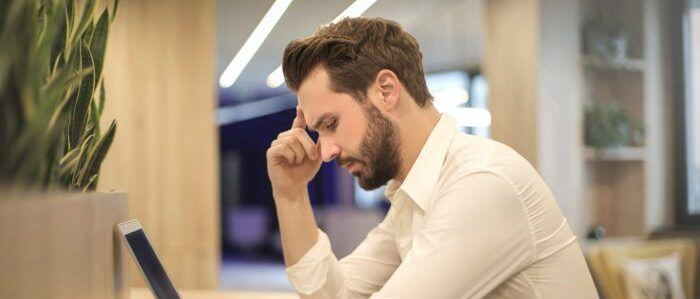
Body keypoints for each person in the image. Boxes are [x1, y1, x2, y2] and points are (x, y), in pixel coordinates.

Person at [266, 17, 598, 299]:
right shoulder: (413, 199)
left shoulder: (482, 183)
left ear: (386, 90)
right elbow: (335, 295)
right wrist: (291, 194)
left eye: (331, 125)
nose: (325, 152)